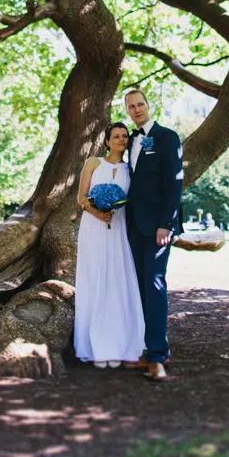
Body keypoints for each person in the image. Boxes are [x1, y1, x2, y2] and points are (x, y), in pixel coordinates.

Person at [124, 89, 184, 382]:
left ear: (149, 106)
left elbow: (175, 184)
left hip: (158, 227)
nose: (136, 110)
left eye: (140, 105)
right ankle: (150, 350)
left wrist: (166, 224)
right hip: (134, 225)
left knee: (155, 284)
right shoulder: (130, 140)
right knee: (140, 288)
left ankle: (157, 357)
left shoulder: (166, 137)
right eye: (131, 107)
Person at [74, 122, 145, 369]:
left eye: (125, 136)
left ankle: (117, 344)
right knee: (95, 282)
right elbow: (81, 198)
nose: (121, 139)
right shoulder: (93, 163)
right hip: (93, 228)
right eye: (116, 136)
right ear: (106, 141)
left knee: (117, 282)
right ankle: (93, 346)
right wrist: (97, 212)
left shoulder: (131, 169)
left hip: (118, 229)